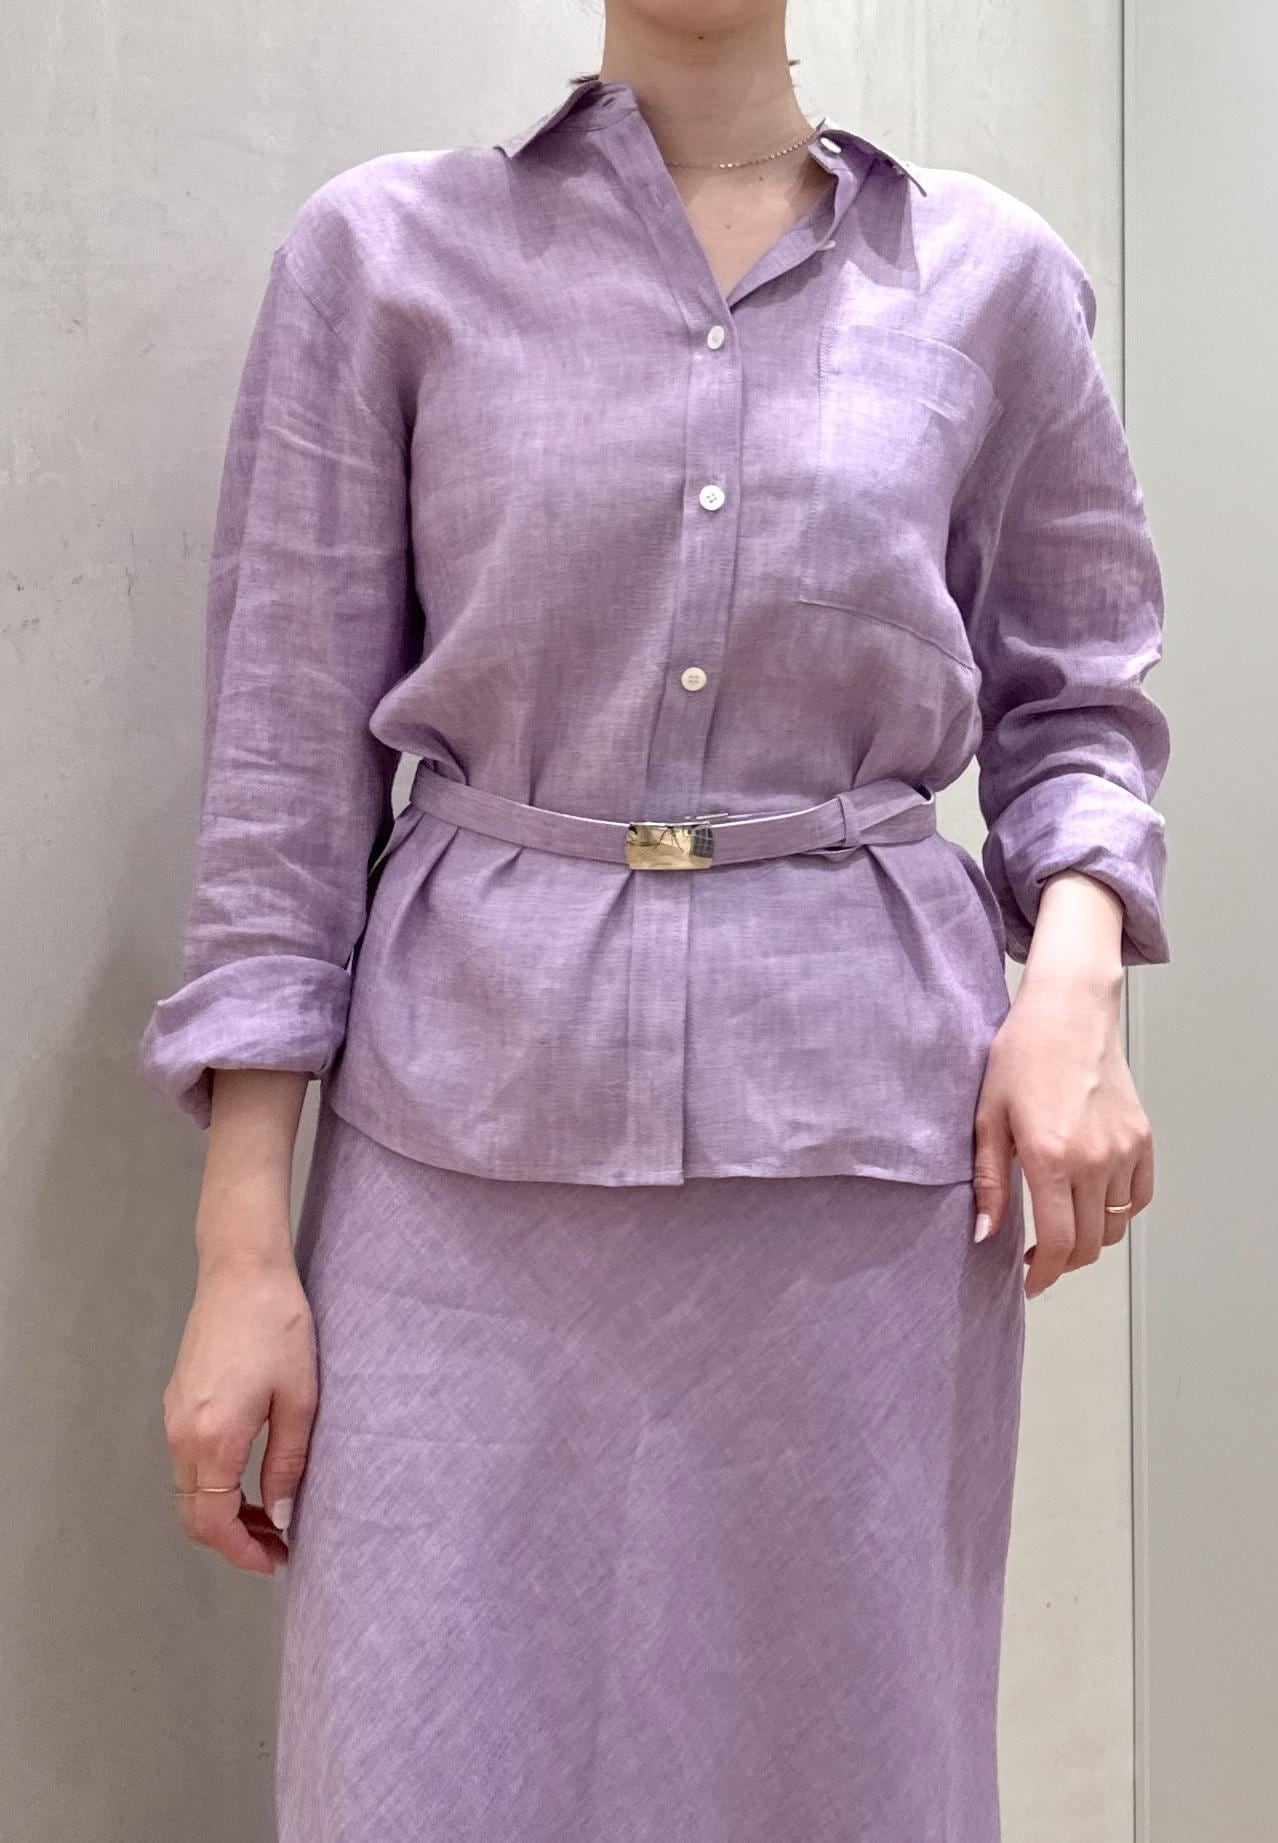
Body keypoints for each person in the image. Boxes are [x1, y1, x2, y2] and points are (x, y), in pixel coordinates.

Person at [139, 5, 1171, 1838]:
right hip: (456, 1176)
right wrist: (242, 1261)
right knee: (422, 1765)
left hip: (858, 1182)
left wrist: (1073, 990)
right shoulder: (384, 255)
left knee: (840, 1767)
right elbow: (284, 785)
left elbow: (1079, 705)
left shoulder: (994, 283)